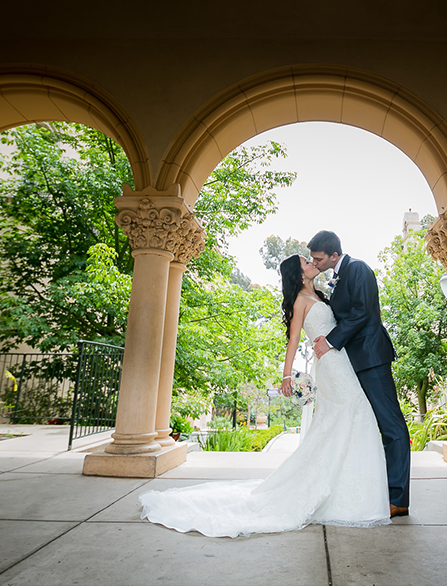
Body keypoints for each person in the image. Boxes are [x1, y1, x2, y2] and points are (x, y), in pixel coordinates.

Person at [138, 254, 390, 537]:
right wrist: (286, 375)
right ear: (299, 274)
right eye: (307, 262)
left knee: (350, 417)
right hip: (330, 366)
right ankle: (343, 492)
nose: (312, 263)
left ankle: (347, 489)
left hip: (340, 359)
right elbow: (293, 339)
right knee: (354, 411)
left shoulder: (320, 294)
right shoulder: (299, 302)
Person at [307, 230, 411, 517]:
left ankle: (399, 499)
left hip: (371, 357)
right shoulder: (337, 277)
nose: (314, 263)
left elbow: (363, 312)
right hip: (354, 360)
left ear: (334, 255)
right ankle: (381, 491)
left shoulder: (359, 269)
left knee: (391, 425)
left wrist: (329, 340)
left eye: (318, 259)